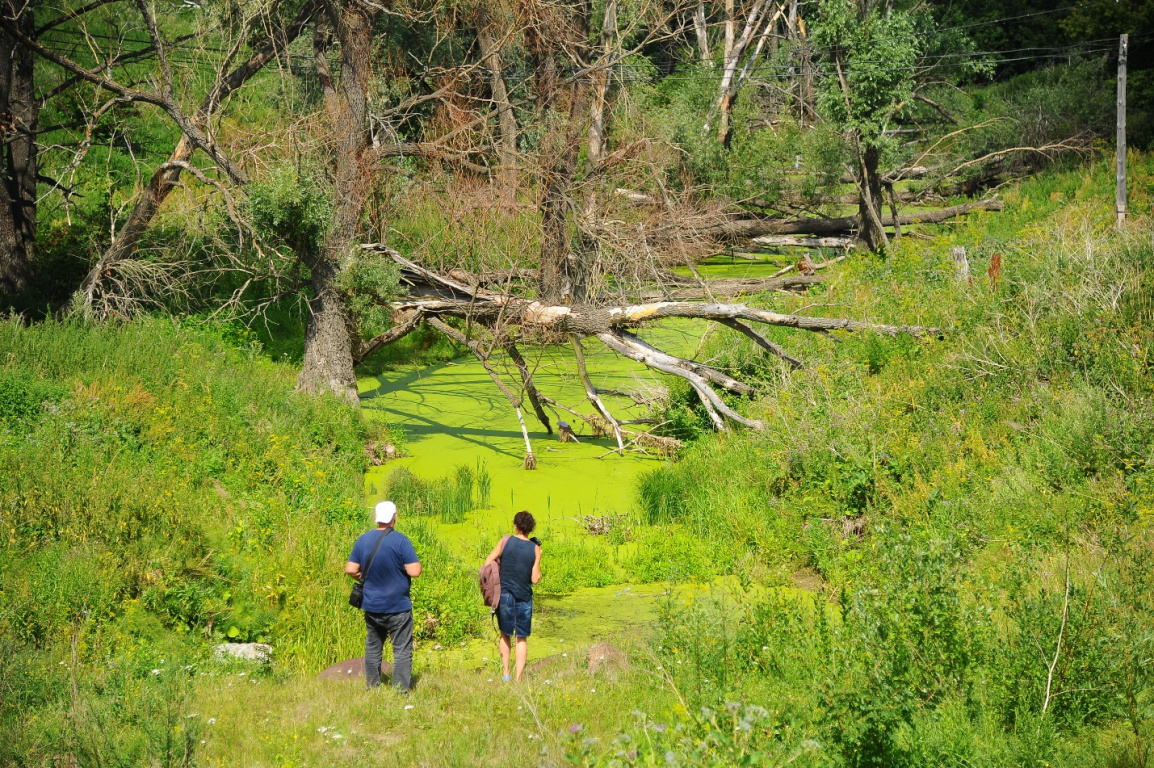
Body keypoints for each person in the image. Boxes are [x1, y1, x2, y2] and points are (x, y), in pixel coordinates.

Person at [345, 500, 422, 691]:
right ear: (395, 517)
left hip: (372, 605)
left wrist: (360, 575)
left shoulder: (363, 540)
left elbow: (350, 569)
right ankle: (400, 689)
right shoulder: (401, 541)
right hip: (398, 606)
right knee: (402, 649)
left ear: (376, 518)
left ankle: (372, 687)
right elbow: (415, 571)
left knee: (373, 647)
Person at [483, 511, 542, 682]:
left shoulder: (505, 541)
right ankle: (518, 678)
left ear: (515, 526)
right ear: (531, 529)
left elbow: (488, 562)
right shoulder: (535, 549)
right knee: (521, 637)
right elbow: (535, 579)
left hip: (505, 594)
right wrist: (538, 558)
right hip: (524, 596)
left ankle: (506, 674)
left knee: (505, 634)